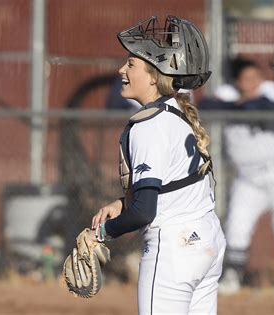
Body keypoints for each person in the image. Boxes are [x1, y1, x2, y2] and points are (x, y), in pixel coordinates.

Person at [90, 15, 226, 314]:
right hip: (207, 240)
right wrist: (122, 203)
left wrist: (101, 234)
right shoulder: (177, 111)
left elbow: (145, 212)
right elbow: (173, 184)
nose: (121, 70)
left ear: (154, 76)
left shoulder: (148, 125)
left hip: (173, 249)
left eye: (131, 64)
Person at [199, 57, 274, 294]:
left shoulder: (270, 90)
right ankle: (233, 275)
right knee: (236, 225)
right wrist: (240, 106)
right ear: (237, 81)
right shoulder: (227, 93)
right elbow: (207, 107)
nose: (252, 83)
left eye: (255, 78)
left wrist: (240, 106)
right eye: (246, 79)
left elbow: (270, 107)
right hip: (248, 179)